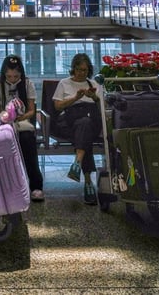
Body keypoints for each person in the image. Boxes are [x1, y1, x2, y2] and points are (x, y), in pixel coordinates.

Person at [0, 55, 44, 202]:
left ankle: (36, 186)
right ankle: (6, 187)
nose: (13, 79)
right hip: (3, 124)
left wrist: (20, 116)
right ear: (4, 74)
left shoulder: (27, 84)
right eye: (9, 76)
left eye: (16, 76)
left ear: (21, 74)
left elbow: (32, 110)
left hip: (22, 122)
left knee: (27, 142)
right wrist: (4, 116)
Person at [52, 52, 105, 205]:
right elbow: (57, 106)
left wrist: (93, 97)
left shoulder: (94, 84)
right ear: (73, 69)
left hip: (88, 121)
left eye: (85, 70)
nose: (82, 73)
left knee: (85, 124)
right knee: (84, 128)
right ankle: (88, 183)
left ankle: (77, 164)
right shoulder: (64, 83)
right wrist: (76, 97)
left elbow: (101, 107)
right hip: (68, 123)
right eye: (79, 70)